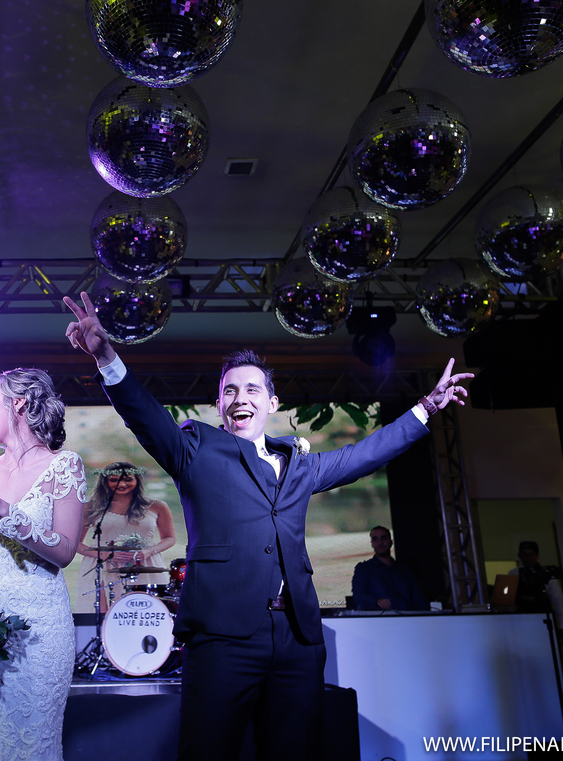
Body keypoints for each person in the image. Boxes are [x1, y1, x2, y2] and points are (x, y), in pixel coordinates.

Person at [63, 291, 473, 761]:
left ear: (272, 402)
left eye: (252, 389)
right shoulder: (196, 451)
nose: (240, 398)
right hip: (222, 636)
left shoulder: (300, 464)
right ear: (220, 405)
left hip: (297, 638)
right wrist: (106, 355)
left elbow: (364, 455)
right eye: (230, 391)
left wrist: (426, 408)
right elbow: (146, 415)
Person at [0, 368, 87, 761]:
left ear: (19, 403)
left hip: (38, 636)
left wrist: (4, 509)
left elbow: (65, 551)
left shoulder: (65, 466)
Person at [76, 462, 177, 611]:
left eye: (128, 479)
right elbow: (75, 543)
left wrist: (149, 551)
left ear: (137, 481)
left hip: (145, 565)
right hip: (102, 566)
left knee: (145, 613)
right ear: (105, 482)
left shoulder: (157, 506)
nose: (121, 484)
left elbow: (170, 538)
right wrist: (103, 554)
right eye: (114, 480)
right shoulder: (90, 507)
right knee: (101, 617)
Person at [351, 525, 428, 611]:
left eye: (383, 538)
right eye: (375, 539)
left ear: (391, 542)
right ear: (372, 543)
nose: (380, 542)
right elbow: (358, 596)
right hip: (378, 617)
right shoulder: (364, 569)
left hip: (407, 616)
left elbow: (418, 598)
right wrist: (376, 601)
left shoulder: (405, 570)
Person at [511, 539, 563, 644]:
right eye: (524, 554)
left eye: (531, 554)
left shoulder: (546, 575)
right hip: (521, 621)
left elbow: (559, 601)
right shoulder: (513, 574)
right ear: (519, 556)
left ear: (537, 556)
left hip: (543, 620)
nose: (528, 558)